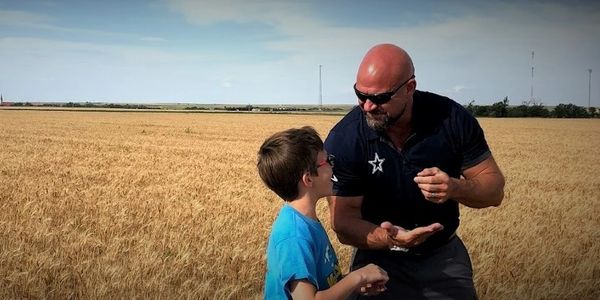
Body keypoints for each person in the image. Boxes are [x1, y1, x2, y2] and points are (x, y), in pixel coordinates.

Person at [324, 43, 505, 299]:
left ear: (409, 88)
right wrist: (393, 240)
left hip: (443, 258)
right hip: (377, 261)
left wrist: (455, 188)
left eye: (379, 98)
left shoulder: (451, 119)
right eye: (360, 95)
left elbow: (494, 191)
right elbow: (343, 222)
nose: (367, 106)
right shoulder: (345, 138)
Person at [258, 126, 389, 299]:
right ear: (308, 179)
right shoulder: (294, 235)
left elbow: (322, 284)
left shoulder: (306, 221)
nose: (333, 167)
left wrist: (352, 284)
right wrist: (359, 276)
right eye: (327, 161)